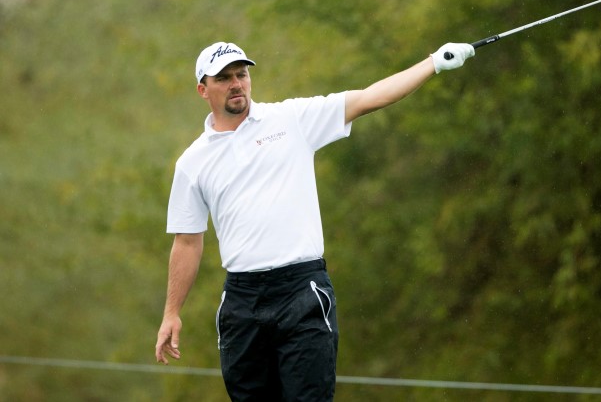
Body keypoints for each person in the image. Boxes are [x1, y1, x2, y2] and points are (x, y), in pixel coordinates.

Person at [154, 40, 475, 401]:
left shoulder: (292, 119)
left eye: (241, 75)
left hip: (301, 291)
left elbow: (370, 97)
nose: (236, 84)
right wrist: (172, 313)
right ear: (203, 89)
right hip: (241, 302)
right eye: (224, 78)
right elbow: (187, 242)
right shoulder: (192, 163)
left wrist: (433, 62)